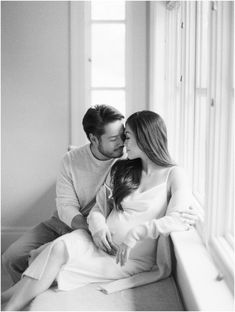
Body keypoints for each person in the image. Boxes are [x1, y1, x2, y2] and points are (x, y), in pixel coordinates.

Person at [2, 110, 200, 311]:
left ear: (145, 138)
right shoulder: (123, 168)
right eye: (120, 138)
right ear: (93, 139)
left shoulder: (175, 174)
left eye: (127, 137)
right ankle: (7, 305)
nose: (124, 144)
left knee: (49, 260)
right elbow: (97, 207)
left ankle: (7, 303)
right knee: (56, 248)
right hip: (94, 239)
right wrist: (97, 227)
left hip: (127, 256)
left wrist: (137, 232)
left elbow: (179, 216)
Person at [2, 104, 126, 284]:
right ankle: (27, 301)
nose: (121, 142)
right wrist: (88, 228)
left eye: (122, 136)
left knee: (45, 261)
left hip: (98, 226)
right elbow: (66, 206)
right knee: (12, 257)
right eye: (114, 139)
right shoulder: (71, 160)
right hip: (64, 222)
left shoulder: (126, 160)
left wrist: (96, 230)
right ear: (94, 138)